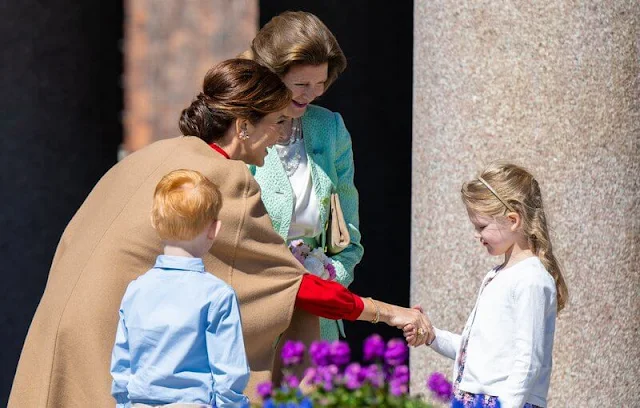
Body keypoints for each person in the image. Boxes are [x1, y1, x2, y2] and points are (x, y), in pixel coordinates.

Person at [9, 58, 434, 408]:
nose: (282, 138)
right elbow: (288, 286)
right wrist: (389, 313)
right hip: (112, 338)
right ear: (243, 125)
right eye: (277, 123)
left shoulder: (157, 152)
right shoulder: (224, 178)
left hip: (65, 327)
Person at [405, 163, 569, 408]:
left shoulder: (532, 279)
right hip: (472, 398)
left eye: (481, 226)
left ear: (513, 220)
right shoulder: (496, 275)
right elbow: (476, 351)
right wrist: (432, 336)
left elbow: (528, 362)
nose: (477, 235)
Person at [242, 11, 362, 341]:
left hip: (317, 320)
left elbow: (348, 235)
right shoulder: (241, 127)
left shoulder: (330, 128)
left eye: (320, 84)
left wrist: (329, 278)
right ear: (271, 74)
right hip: (253, 316)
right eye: (301, 84)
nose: (310, 94)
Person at [110, 169, 250, 408]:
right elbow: (229, 375)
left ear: (155, 222)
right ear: (214, 230)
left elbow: (122, 367)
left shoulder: (135, 290)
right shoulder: (218, 295)